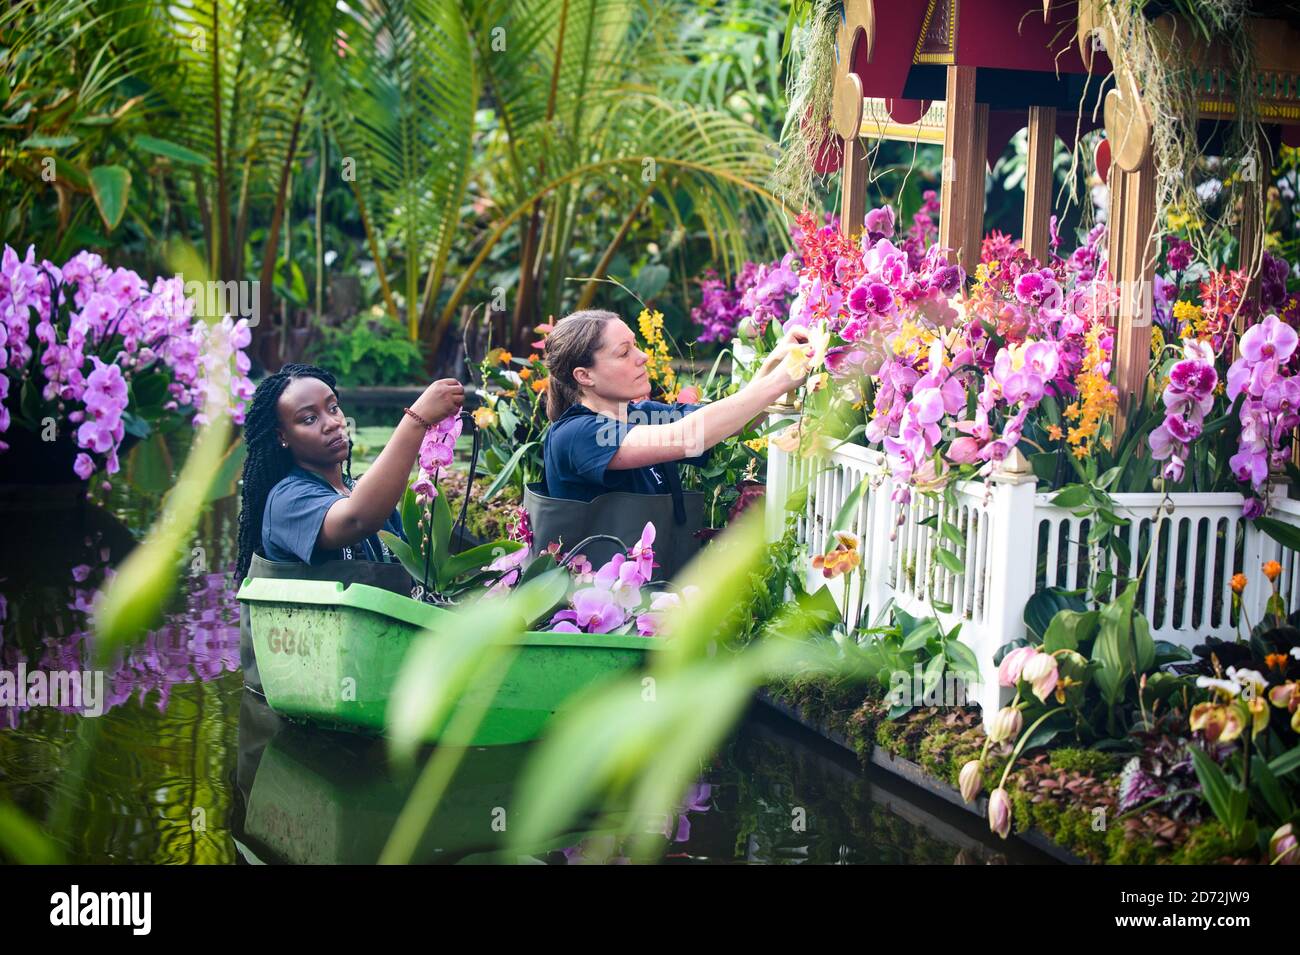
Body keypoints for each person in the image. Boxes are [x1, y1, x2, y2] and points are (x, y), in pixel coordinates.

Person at [541, 309, 810, 503]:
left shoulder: (638, 415)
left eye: (636, 346)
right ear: (584, 376)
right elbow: (688, 436)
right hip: (600, 583)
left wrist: (774, 363)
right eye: (624, 353)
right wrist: (778, 381)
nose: (643, 357)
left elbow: (735, 423)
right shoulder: (577, 435)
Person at [233, 363, 464, 582]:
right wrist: (416, 420)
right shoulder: (287, 500)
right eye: (309, 419)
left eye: (333, 408)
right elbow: (357, 519)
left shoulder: (356, 490)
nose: (332, 423)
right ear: (282, 436)